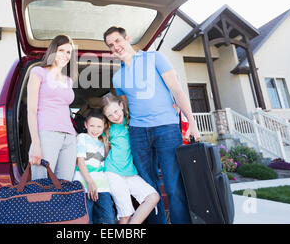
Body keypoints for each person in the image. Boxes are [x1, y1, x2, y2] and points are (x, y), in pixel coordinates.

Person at [103, 26, 201, 224]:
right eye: (111, 45)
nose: (116, 47)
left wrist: (192, 122)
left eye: (117, 41)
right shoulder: (117, 77)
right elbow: (126, 108)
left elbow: (177, 91)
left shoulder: (155, 57)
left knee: (173, 185)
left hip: (166, 128)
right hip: (138, 132)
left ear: (127, 38)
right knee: (149, 187)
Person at [101, 93, 159, 224]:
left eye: (116, 111)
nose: (115, 117)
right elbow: (105, 152)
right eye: (110, 115)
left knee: (153, 197)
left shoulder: (133, 122)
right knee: (125, 215)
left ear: (121, 106)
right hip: (113, 172)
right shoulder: (108, 129)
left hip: (130, 172)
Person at [27, 35, 78, 181]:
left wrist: (74, 133)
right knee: (41, 185)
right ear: (53, 51)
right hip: (47, 135)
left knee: (65, 187)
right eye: (61, 50)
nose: (65, 55)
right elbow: (31, 110)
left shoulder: (68, 80)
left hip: (69, 138)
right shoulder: (38, 72)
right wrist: (36, 144)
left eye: (69, 52)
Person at [73, 108, 116, 224]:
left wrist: (107, 145)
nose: (95, 130)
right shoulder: (82, 138)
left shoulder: (102, 141)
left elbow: (105, 161)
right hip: (84, 185)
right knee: (86, 220)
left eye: (99, 127)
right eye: (92, 126)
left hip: (102, 186)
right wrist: (90, 182)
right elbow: (80, 161)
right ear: (86, 124)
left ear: (104, 127)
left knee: (108, 219)